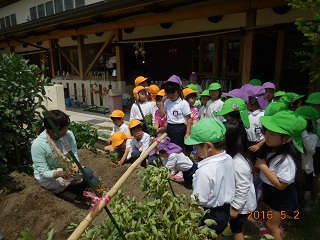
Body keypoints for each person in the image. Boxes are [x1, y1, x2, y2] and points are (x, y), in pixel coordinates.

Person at [255, 111, 306, 240]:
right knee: (268, 216)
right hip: (269, 190)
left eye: (272, 134)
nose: (266, 135)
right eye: (266, 131)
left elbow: (281, 185)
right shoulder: (272, 149)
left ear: (287, 138)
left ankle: (274, 232)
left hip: (282, 196)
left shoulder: (287, 159)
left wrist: (263, 167)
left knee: (272, 225)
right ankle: (271, 231)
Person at [185, 118, 235, 240]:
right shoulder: (228, 158)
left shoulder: (204, 172)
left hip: (209, 214)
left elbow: (199, 202)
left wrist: (192, 225)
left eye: (196, 146)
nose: (195, 149)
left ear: (208, 146)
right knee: (217, 234)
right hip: (224, 210)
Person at [31, 110, 100, 196]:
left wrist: (75, 164)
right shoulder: (38, 145)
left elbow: (74, 152)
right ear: (50, 129)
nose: (65, 131)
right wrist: (61, 174)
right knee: (83, 178)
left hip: (67, 169)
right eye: (61, 129)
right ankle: (68, 191)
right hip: (51, 177)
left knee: (90, 174)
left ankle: (75, 187)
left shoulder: (68, 135)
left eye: (66, 127)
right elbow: (44, 172)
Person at [224, 119, 257, 240]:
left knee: (236, 229)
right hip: (242, 204)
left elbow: (243, 186)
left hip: (242, 206)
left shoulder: (239, 163)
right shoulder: (236, 156)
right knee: (238, 226)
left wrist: (235, 208)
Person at [159, 75, 192, 154]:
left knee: (182, 148)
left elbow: (189, 118)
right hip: (170, 127)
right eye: (168, 93)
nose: (171, 96)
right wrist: (162, 103)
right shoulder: (167, 102)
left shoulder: (183, 103)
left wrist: (187, 133)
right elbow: (162, 115)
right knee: (172, 148)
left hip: (180, 128)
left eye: (173, 93)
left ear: (179, 91)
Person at [295, 105, 320, 212]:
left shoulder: (313, 136)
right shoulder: (295, 134)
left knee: (305, 186)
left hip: (307, 166)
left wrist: (303, 131)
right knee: (297, 186)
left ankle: (307, 203)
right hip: (297, 165)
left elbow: (310, 148)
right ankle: (297, 204)